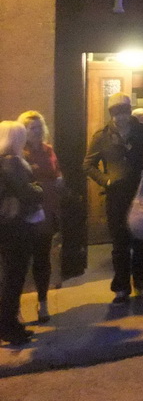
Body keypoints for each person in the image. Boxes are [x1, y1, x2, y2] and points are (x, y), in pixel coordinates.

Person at [83, 92, 143, 303]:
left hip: (140, 194)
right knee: (120, 244)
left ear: (129, 111)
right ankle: (121, 287)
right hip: (116, 197)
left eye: (123, 112)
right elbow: (88, 165)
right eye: (115, 113)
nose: (119, 117)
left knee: (142, 241)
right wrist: (106, 181)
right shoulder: (102, 136)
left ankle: (140, 282)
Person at [0, 121, 44, 345]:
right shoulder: (12, 163)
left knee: (8, 275)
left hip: (5, 225)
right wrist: (39, 188)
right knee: (14, 277)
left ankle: (8, 324)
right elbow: (28, 193)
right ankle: (9, 327)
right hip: (16, 226)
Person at [17, 111, 63, 324]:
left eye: (38, 127)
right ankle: (14, 307)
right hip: (26, 212)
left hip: (47, 210)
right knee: (20, 262)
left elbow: (56, 171)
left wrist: (59, 180)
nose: (35, 131)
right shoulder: (18, 152)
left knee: (42, 259)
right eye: (30, 127)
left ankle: (42, 302)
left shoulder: (48, 150)